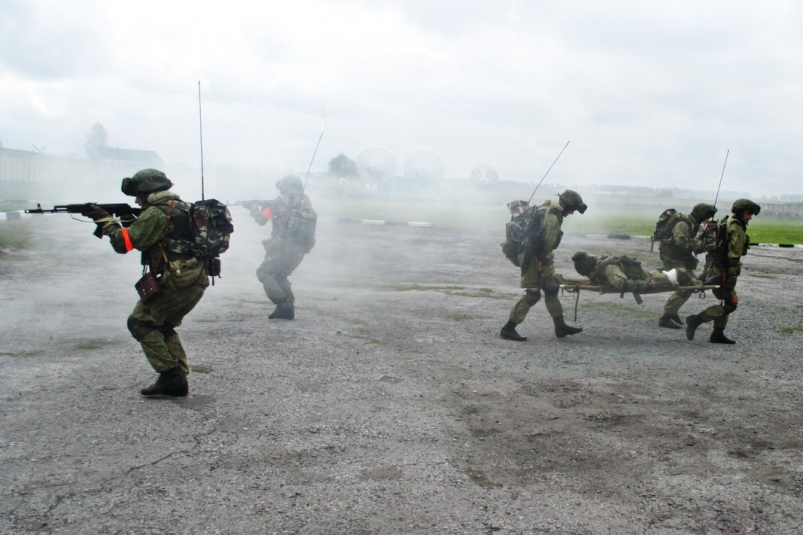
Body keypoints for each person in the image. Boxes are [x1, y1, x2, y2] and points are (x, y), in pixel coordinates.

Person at [83, 169, 209, 397]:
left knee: (140, 322)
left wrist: (105, 220)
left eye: (138, 197)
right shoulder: (181, 207)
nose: (136, 201)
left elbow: (123, 244)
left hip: (179, 280)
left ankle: (170, 375)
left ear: (146, 191)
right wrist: (127, 218)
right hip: (193, 277)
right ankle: (177, 378)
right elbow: (151, 236)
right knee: (161, 325)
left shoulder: (157, 212)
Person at [500, 190, 587, 341]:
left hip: (538, 256)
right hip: (532, 258)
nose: (572, 213)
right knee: (533, 294)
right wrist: (543, 261)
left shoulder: (548, 208)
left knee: (551, 288)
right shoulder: (553, 217)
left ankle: (560, 327)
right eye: (572, 209)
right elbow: (549, 243)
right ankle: (508, 329)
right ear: (568, 205)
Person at [685, 198, 761, 344]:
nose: (750, 217)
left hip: (713, 269)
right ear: (741, 212)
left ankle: (718, 333)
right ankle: (696, 320)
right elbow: (734, 255)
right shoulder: (736, 227)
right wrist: (731, 277)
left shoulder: (724, 222)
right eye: (748, 213)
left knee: (725, 300)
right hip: (723, 272)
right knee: (731, 303)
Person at [250, 174, 317, 320]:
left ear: (287, 186)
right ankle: (288, 306)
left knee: (264, 272)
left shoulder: (281, 201)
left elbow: (261, 219)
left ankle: (282, 304)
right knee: (280, 275)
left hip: (282, 247)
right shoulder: (305, 201)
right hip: (300, 249)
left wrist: (253, 208)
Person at [657, 203, 717, 329]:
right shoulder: (683, 224)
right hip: (671, 258)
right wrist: (698, 246)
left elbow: (689, 242)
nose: (707, 219)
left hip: (678, 258)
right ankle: (666, 317)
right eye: (706, 216)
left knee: (689, 285)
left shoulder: (692, 224)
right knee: (687, 286)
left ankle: (672, 312)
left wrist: (701, 244)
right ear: (700, 215)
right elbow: (681, 244)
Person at [571, 251, 692, 294]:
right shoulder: (609, 269)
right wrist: (646, 285)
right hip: (648, 279)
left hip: (646, 274)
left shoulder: (594, 271)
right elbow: (622, 283)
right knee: (680, 274)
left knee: (662, 271)